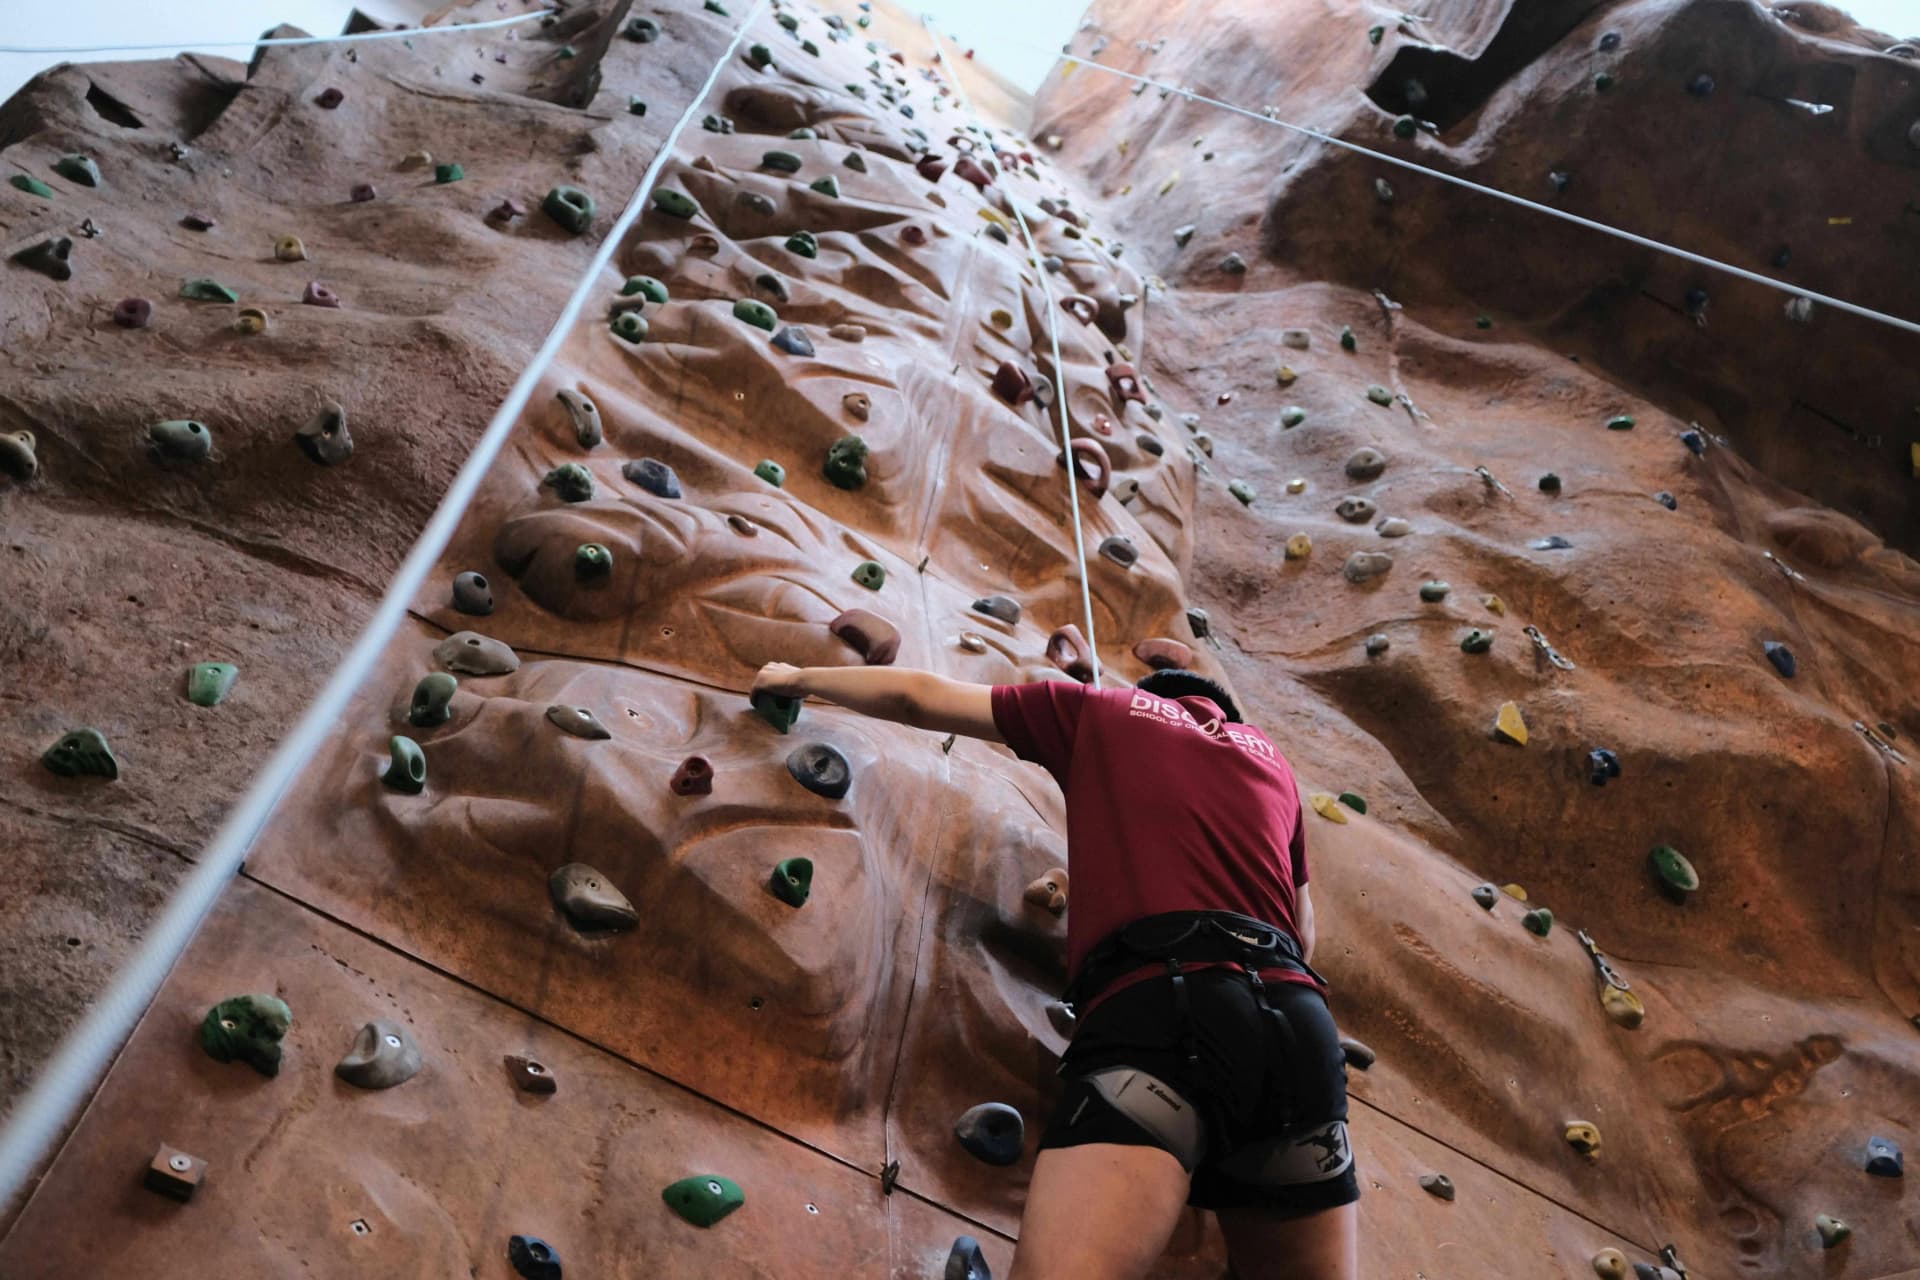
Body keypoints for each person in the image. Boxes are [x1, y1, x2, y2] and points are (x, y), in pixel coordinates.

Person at [750, 660, 1360, 1280]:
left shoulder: (1103, 710)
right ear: (1224, 715)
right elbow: (1302, 934)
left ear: (1143, 696)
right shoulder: (1274, 764)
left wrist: (798, 676)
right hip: (1298, 1031)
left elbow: (917, 695)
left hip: (1166, 1011)